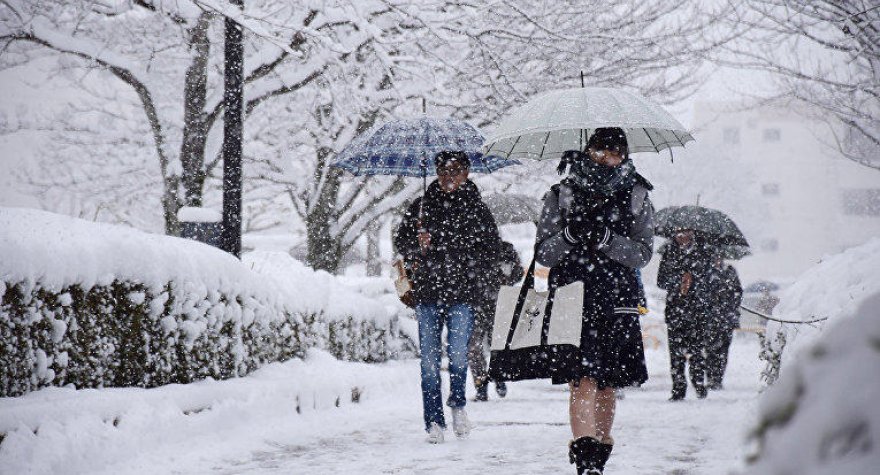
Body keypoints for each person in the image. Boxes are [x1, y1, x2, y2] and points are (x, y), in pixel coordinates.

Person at [535, 127, 654, 474]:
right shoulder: (563, 194)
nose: (607, 159)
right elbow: (543, 253)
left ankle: (598, 458)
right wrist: (570, 235)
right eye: (600, 152)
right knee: (582, 379)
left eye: (615, 153)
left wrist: (606, 239)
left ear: (625, 155)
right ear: (588, 151)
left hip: (617, 298)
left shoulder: (637, 195)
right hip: (573, 299)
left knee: (608, 383)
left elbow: (643, 254)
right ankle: (586, 463)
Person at [394, 150, 502, 444]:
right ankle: (433, 420)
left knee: (457, 357)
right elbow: (401, 242)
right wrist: (417, 244)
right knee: (428, 362)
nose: (448, 177)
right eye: (443, 171)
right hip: (427, 294)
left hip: (462, 295)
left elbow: (493, 249)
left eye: (455, 171)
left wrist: (468, 261)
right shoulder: (421, 206)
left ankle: (457, 405)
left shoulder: (477, 209)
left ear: (466, 173)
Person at [657, 230, 715, 401]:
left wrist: (694, 281)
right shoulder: (668, 252)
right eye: (678, 232)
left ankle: (698, 383)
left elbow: (708, 280)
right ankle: (678, 388)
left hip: (697, 311)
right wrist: (679, 281)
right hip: (675, 310)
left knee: (697, 351)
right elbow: (661, 280)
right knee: (676, 353)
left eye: (685, 232)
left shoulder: (703, 252)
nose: (681, 236)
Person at [468, 240, 524, 402]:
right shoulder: (469, 249)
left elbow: (518, 272)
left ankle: (498, 376)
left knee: (495, 343)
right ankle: (481, 385)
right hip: (476, 303)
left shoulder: (504, 248)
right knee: (474, 347)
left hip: (497, 303)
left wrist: (505, 274)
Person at [705, 256, 743, 390]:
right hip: (711, 318)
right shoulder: (706, 271)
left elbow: (738, 292)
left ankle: (718, 378)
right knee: (711, 349)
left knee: (723, 350)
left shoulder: (730, 271)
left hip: (727, 318)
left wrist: (729, 301)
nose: (717, 259)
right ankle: (711, 377)